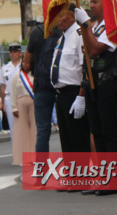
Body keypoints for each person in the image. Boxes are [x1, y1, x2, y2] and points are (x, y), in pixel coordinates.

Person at [75, 0, 117, 172]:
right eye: (90, 1)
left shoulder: (111, 27)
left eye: (95, 2)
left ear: (106, 5)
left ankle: (113, 176)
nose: (91, 5)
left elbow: (97, 49)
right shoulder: (94, 27)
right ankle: (103, 173)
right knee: (96, 131)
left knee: (109, 130)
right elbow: (87, 58)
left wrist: (85, 25)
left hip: (107, 83)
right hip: (92, 84)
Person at [51, 9, 90, 153]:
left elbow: (85, 67)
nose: (58, 20)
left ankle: (81, 175)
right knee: (66, 144)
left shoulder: (78, 34)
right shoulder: (63, 37)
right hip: (61, 95)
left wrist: (81, 95)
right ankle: (71, 175)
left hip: (74, 94)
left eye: (61, 15)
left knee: (78, 142)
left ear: (72, 16)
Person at [25, 20, 58, 152]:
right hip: (62, 85)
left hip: (42, 84)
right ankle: (75, 166)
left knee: (43, 130)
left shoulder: (37, 32)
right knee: (70, 129)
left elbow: (26, 62)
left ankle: (42, 168)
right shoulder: (65, 29)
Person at [10, 49, 35, 166]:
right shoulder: (17, 76)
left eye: (28, 62)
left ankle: (35, 156)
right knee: (22, 132)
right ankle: (22, 158)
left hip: (34, 103)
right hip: (20, 104)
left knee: (35, 130)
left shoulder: (36, 75)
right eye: (24, 62)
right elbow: (13, 93)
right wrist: (14, 107)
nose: (25, 65)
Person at [1, 40, 22, 140]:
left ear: (20, 53)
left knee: (24, 125)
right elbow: (3, 87)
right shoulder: (5, 68)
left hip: (22, 97)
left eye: (15, 52)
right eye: (11, 52)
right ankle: (16, 152)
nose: (12, 54)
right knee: (13, 126)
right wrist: (3, 103)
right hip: (9, 98)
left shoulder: (24, 66)